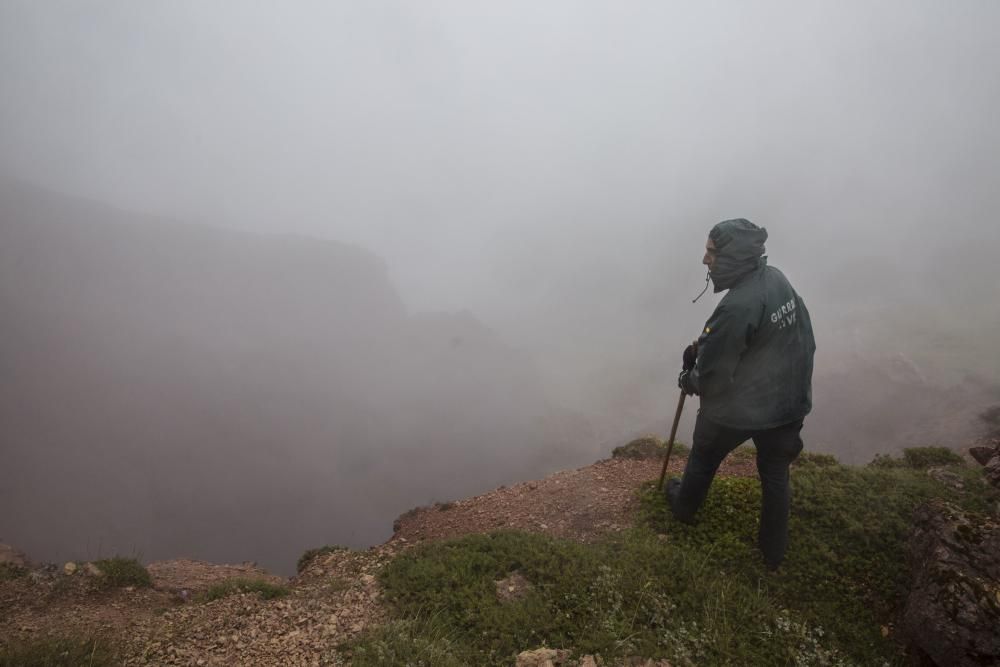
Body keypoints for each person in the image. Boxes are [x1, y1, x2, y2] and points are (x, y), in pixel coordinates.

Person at [667, 218, 816, 570]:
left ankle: (683, 507)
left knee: (704, 453)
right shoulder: (776, 278)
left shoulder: (737, 306)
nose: (706, 260)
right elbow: (798, 333)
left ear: (733, 257)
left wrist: (688, 378)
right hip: (789, 401)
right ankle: (772, 555)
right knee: (775, 472)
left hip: (744, 408)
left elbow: (714, 377)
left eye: (712, 252)